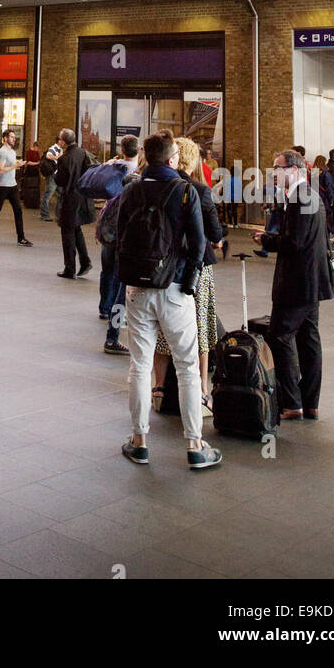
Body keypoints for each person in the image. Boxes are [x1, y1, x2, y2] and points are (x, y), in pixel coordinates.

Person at [118, 131, 219, 470]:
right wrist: (188, 284)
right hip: (175, 288)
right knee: (188, 367)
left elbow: (118, 237)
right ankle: (194, 444)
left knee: (139, 366)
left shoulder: (132, 189)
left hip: (138, 291)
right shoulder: (185, 190)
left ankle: (139, 441)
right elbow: (200, 244)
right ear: (173, 158)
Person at [252, 149, 334, 420]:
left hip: (296, 284)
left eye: (278, 168)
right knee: (309, 340)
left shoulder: (300, 198)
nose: (273, 173)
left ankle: (292, 403)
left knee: (280, 336)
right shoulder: (312, 197)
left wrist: (267, 240)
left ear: (296, 170)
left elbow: (294, 243)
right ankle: (311, 403)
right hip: (313, 282)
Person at [152, 137, 223, 411]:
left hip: (164, 268)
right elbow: (215, 233)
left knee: (162, 329)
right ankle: (202, 390)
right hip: (195, 269)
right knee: (200, 328)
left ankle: (158, 389)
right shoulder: (200, 191)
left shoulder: (158, 187)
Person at [94, 135, 140, 354]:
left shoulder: (114, 167)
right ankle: (114, 332)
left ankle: (106, 309)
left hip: (109, 230)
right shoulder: (138, 175)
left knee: (107, 271)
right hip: (124, 238)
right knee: (122, 287)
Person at [54, 128, 93, 278]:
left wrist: (56, 173)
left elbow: (60, 180)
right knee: (76, 230)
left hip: (69, 198)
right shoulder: (83, 153)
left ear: (63, 142)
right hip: (82, 197)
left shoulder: (65, 158)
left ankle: (70, 268)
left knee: (67, 233)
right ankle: (85, 262)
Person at [312, 154, 334, 235]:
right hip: (325, 200)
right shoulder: (325, 173)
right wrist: (332, 200)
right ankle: (328, 238)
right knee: (328, 220)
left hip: (315, 200)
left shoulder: (312, 173)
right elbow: (329, 188)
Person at [38, 140, 62, 221]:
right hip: (52, 175)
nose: (64, 143)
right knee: (48, 195)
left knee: (61, 195)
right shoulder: (53, 148)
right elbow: (48, 156)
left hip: (58, 175)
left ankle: (59, 215)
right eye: (63, 141)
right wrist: (58, 157)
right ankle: (44, 215)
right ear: (59, 141)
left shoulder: (60, 149)